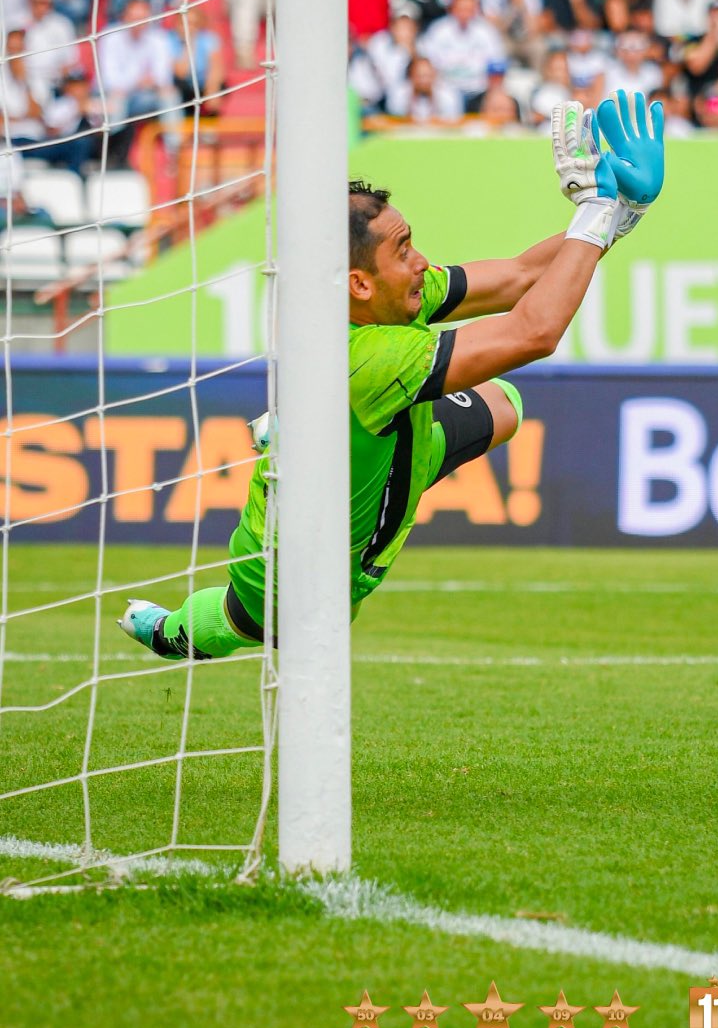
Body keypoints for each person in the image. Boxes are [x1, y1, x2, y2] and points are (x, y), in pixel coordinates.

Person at [119, 90, 666, 659]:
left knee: (502, 404)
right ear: (359, 282)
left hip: (377, 440)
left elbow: (522, 277)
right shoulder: (367, 355)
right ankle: (175, 633)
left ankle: (314, 437)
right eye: (404, 249)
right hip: (290, 576)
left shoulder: (370, 296)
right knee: (241, 623)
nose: (423, 262)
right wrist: (595, 211)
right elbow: (533, 332)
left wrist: (620, 213)